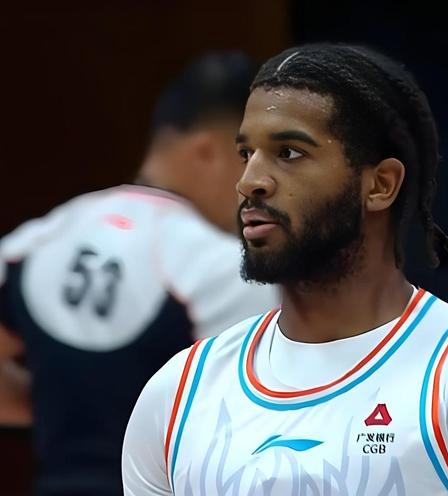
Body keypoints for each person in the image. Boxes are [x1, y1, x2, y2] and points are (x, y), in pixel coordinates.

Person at [123, 43, 448, 495]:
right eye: (246, 154)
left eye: (289, 153)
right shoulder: (177, 393)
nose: (250, 182)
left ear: (380, 185)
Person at [0, 51, 278, 496]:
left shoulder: (34, 241)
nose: (261, 185)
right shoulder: (227, 270)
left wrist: (64, 409)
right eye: (248, 155)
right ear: (208, 151)